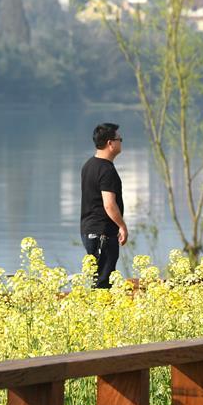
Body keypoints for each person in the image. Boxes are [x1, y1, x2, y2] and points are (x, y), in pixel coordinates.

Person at [80, 122, 128, 288]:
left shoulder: (89, 165)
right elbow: (109, 204)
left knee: (99, 279)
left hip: (89, 230)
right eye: (119, 139)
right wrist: (122, 226)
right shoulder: (107, 170)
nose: (121, 142)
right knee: (103, 283)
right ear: (110, 143)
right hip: (103, 234)